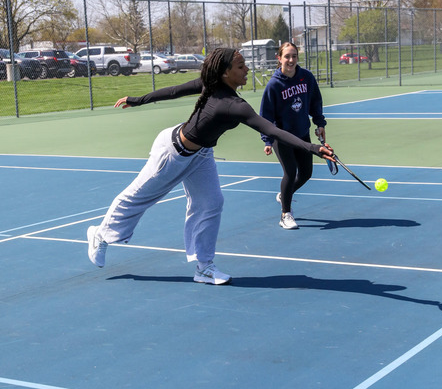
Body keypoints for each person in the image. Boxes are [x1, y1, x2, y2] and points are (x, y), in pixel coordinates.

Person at [87, 48, 334, 285]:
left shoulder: (236, 103)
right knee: (138, 197)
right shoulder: (220, 93)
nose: (247, 69)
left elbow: (272, 129)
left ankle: (204, 267)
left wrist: (312, 148)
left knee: (211, 203)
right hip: (172, 153)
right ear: (226, 72)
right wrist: (137, 100)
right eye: (241, 66)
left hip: (202, 155)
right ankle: (101, 234)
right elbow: (174, 91)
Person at [259, 42, 328, 230]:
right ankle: (285, 214)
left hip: (302, 134)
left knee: (306, 173)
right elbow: (266, 115)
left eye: (294, 56)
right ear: (279, 58)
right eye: (287, 56)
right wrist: (267, 140)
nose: (291, 60)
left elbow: (315, 101)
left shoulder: (306, 77)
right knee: (290, 173)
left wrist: (320, 123)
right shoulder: (274, 85)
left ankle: (284, 195)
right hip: (281, 137)